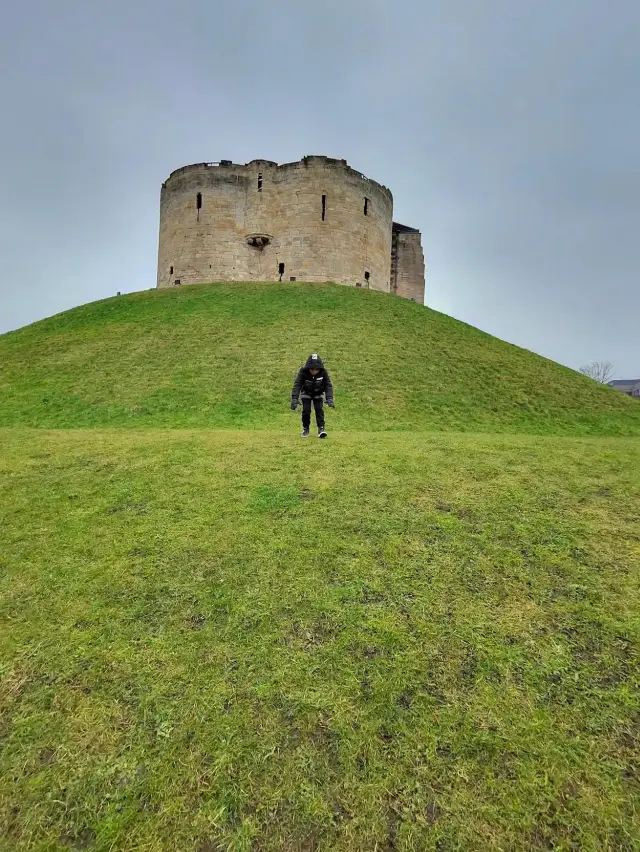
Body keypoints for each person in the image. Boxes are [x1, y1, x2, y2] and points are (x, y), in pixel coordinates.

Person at [291, 353, 334, 438]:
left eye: (316, 369)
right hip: (306, 393)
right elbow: (297, 385)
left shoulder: (323, 372)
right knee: (306, 411)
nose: (314, 371)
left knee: (319, 410)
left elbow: (328, 385)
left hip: (318, 393)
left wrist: (329, 398)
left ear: (319, 369)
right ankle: (305, 428)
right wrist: (294, 399)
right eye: (312, 369)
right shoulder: (302, 372)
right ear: (308, 368)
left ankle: (321, 429)